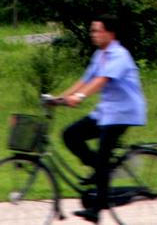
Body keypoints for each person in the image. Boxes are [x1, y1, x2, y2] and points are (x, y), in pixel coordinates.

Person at [56, 15, 147, 223]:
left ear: (110, 33)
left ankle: (96, 209)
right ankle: (100, 171)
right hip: (107, 112)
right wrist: (59, 98)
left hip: (124, 112)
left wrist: (79, 97)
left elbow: (101, 80)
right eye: (92, 31)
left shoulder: (119, 55)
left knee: (104, 155)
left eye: (97, 30)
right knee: (70, 134)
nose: (93, 34)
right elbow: (85, 79)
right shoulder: (100, 55)